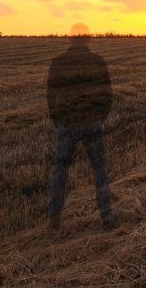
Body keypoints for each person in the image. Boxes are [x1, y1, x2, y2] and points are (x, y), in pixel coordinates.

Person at [46, 22, 115, 230]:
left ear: (70, 38)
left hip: (66, 123)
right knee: (100, 172)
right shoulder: (97, 61)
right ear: (88, 38)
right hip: (91, 123)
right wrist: (100, 117)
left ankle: (54, 220)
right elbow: (107, 94)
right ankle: (107, 219)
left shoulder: (58, 62)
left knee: (60, 172)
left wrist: (57, 119)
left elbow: (51, 95)